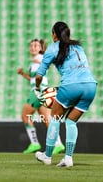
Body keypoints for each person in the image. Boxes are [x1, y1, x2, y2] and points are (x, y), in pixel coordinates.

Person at [35, 21, 97, 167]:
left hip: (71, 86)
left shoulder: (52, 49)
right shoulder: (77, 46)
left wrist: (38, 89)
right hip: (90, 87)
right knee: (70, 121)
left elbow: (39, 76)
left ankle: (47, 156)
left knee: (55, 118)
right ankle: (68, 158)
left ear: (54, 34)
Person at [17, 39, 65, 154]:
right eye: (31, 45)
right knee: (47, 120)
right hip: (43, 92)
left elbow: (46, 63)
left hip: (37, 92)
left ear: (40, 49)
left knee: (25, 116)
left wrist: (41, 60)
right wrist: (23, 74)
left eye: (36, 46)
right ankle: (58, 144)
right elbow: (33, 78)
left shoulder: (39, 58)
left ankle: (34, 143)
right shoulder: (34, 62)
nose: (33, 47)